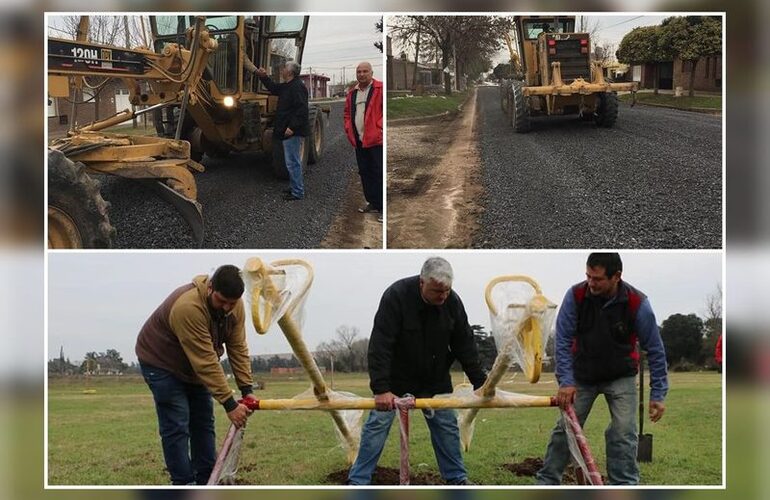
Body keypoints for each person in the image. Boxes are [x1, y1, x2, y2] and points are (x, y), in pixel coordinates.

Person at [347, 257, 487, 485]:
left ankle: (457, 480)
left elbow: (464, 343)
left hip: (435, 380)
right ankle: (358, 481)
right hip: (396, 381)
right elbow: (381, 344)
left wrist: (480, 382)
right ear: (422, 283)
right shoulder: (396, 296)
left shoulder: (452, 302)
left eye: (446, 291)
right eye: (436, 291)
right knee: (377, 427)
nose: (442, 296)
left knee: (446, 427)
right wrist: (381, 389)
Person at [536, 253, 669, 485]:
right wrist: (566, 381)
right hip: (582, 376)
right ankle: (547, 481)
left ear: (616, 276)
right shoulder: (575, 295)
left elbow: (655, 350)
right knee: (565, 431)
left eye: (597, 279)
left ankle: (624, 485)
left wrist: (658, 394)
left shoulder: (637, 303)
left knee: (623, 433)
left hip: (621, 376)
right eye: (588, 276)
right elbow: (563, 341)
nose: (591, 283)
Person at [136, 265, 256, 485]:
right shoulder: (188, 307)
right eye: (222, 301)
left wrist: (247, 389)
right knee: (177, 423)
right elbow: (206, 361)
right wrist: (230, 404)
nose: (227, 308)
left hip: (193, 366)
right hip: (161, 363)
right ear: (210, 288)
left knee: (203, 422)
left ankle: (206, 481)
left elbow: (237, 347)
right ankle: (183, 484)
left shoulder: (234, 307)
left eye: (232, 302)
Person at [255, 61, 309, 200]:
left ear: (290, 72)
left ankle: (298, 192)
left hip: (292, 131)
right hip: (286, 129)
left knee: (293, 162)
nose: (282, 69)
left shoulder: (297, 87)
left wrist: (292, 127)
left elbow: (302, 110)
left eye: (284, 68)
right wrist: (263, 76)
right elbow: (273, 88)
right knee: (290, 161)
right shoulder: (287, 86)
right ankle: (294, 187)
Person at [343, 61, 383, 222]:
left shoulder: (380, 89)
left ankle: (382, 207)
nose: (361, 74)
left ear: (371, 73)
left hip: (376, 141)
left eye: (365, 71)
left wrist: (379, 129)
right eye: (359, 72)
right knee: (365, 172)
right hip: (360, 141)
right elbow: (347, 113)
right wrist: (348, 129)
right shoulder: (352, 93)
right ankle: (372, 202)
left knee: (378, 172)